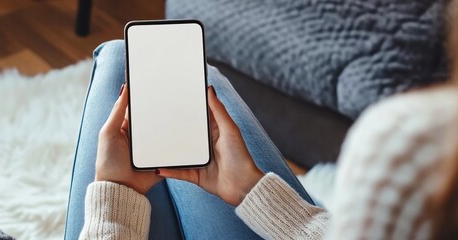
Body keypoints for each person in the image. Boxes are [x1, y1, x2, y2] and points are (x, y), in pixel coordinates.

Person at [65, 5, 458, 239]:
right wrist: (252, 192)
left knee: (121, 60)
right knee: (158, 72)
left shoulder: (417, 143)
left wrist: (114, 202)